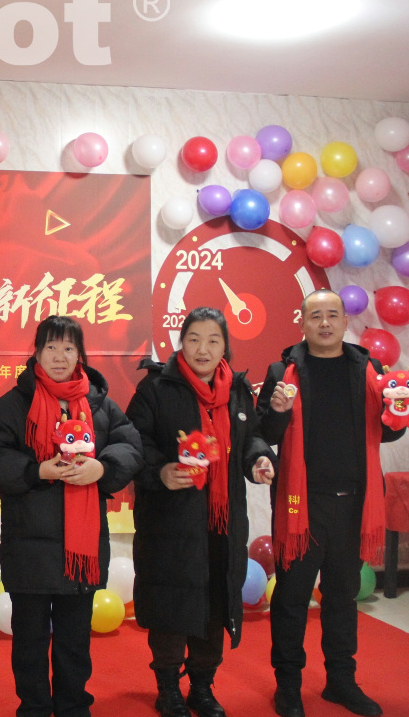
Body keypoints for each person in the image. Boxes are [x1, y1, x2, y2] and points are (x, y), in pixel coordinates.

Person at [0, 315, 143, 717]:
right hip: (28, 545)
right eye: (51, 347)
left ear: (80, 354)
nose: (60, 356)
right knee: (29, 640)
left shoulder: (100, 404)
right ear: (36, 353)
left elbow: (131, 446)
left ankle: (72, 706)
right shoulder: (14, 404)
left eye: (68, 347)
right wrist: (37, 471)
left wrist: (102, 468)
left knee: (74, 639)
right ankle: (33, 707)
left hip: (80, 551)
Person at [257, 289, 405, 717]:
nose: (324, 323)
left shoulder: (368, 369)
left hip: (355, 504)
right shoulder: (282, 370)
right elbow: (265, 432)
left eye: (332, 315)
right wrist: (278, 411)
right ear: (302, 322)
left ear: (345, 322)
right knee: (291, 598)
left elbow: (387, 433)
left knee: (342, 598)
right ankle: (288, 686)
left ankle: (341, 681)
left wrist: (399, 414)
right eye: (316, 315)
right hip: (299, 505)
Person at [126, 307, 276, 717]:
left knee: (215, 603)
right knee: (172, 605)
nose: (203, 349)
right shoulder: (156, 388)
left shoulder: (238, 390)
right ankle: (168, 689)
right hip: (170, 521)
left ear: (225, 346)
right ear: (181, 343)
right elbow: (133, 442)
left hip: (222, 523)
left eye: (213, 340)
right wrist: (161, 471)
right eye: (194, 339)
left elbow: (251, 437)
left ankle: (203, 687)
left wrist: (258, 459)